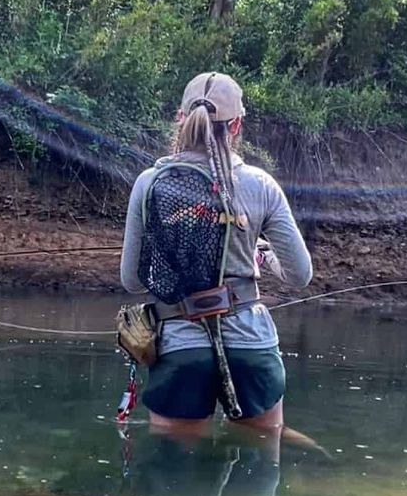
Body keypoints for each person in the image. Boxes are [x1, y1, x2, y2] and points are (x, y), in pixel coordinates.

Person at [120, 71, 312, 435]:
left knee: (176, 478)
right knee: (259, 459)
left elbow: (131, 280)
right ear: (236, 125)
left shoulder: (148, 183)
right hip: (251, 345)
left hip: (179, 347)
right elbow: (300, 275)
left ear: (180, 118)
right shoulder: (260, 185)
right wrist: (261, 256)